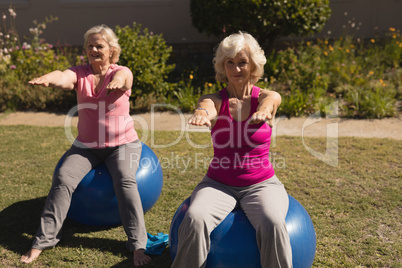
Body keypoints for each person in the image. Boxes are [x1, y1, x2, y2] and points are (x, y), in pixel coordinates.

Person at [20, 24, 151, 267]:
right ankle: (42, 240)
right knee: (63, 178)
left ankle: (138, 245)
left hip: (123, 145)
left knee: (125, 180)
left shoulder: (121, 71)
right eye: (89, 46)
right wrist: (49, 79)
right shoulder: (80, 72)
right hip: (86, 146)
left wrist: (117, 82)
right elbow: (63, 76)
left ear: (111, 50)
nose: (93, 50)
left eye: (98, 46)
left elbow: (125, 79)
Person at [172, 31, 292, 268]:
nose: (236, 69)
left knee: (273, 222)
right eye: (230, 63)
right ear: (222, 66)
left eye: (242, 62)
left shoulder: (266, 97)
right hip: (218, 184)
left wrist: (264, 111)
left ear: (253, 65)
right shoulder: (215, 99)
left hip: (262, 184)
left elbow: (272, 101)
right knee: (195, 218)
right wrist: (201, 115)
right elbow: (206, 107)